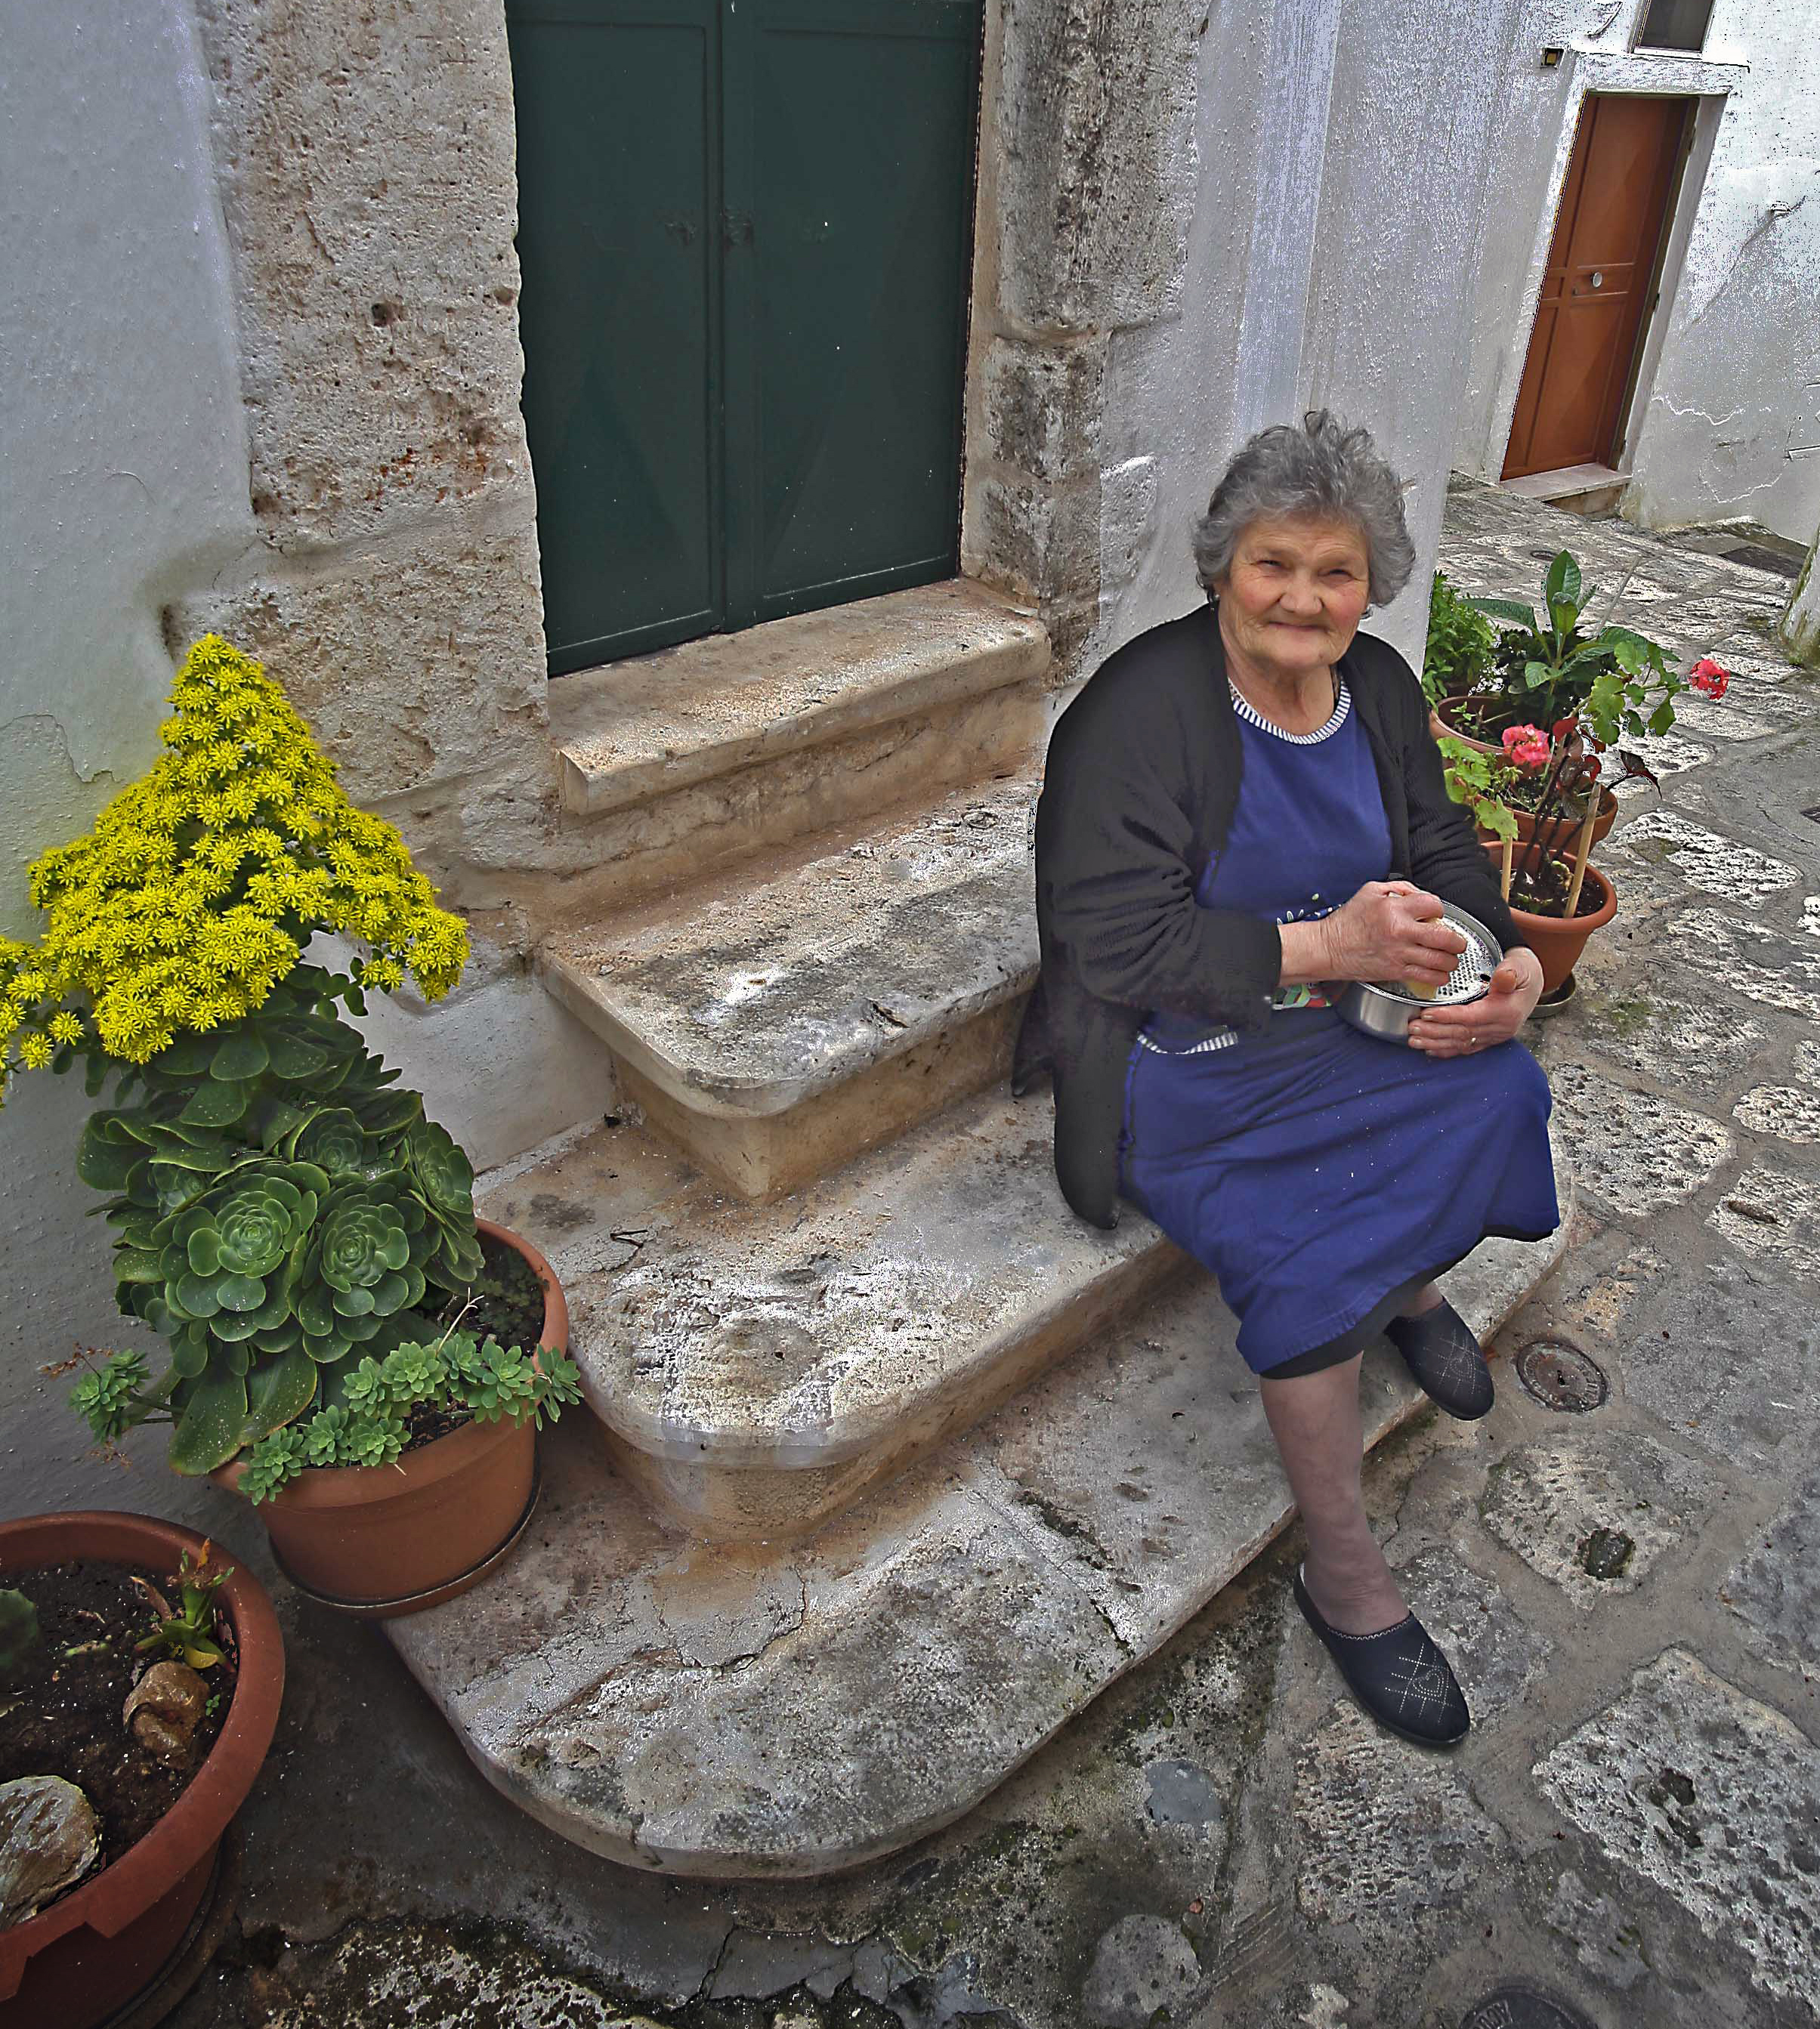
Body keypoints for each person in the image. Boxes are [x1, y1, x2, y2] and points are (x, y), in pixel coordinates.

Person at [1015, 411, 1558, 1747]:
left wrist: (1509, 963)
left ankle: (1412, 1283)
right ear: (1220, 568)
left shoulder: (1371, 685)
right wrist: (1329, 946)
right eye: (1273, 565)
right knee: (1304, 1251)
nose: (1303, 600)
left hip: (1346, 1019)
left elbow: (1435, 842)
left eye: (1336, 571)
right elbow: (1112, 941)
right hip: (1179, 1058)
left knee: (1496, 1087)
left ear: (1370, 584)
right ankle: (1346, 1575)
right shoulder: (1140, 713)